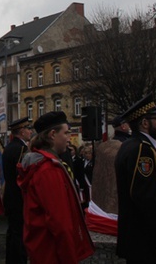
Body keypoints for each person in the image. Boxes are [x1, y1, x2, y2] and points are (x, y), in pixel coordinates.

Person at [18, 111, 94, 263]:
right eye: (66, 133)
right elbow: (60, 223)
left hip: (43, 250)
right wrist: (70, 258)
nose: (68, 138)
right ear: (53, 134)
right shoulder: (48, 170)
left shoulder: (44, 165)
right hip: (52, 254)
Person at [115, 97, 156, 263]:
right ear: (144, 123)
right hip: (145, 239)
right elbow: (146, 198)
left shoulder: (129, 145)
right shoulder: (142, 149)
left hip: (137, 236)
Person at [1, 116, 32, 264]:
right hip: (19, 197)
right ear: (22, 131)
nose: (30, 131)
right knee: (19, 235)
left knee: (12, 233)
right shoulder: (21, 149)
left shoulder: (9, 147)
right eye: (28, 128)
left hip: (10, 196)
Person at [90, 115, 127, 214]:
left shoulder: (103, 147)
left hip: (102, 202)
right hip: (119, 200)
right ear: (123, 126)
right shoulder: (125, 146)